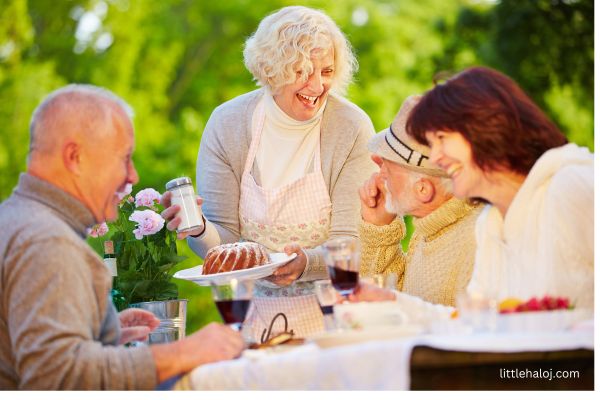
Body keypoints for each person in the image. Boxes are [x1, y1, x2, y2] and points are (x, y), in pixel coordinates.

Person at [0, 85, 243, 389]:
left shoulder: (13, 219)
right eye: (124, 158)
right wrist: (180, 353)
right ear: (75, 157)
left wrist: (100, 334)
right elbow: (57, 377)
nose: (133, 176)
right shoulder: (48, 242)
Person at [161, 6, 376, 340]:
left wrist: (306, 263)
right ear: (273, 69)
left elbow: (352, 241)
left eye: (327, 71)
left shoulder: (350, 127)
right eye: (303, 72)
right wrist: (199, 228)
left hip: (339, 320)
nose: (317, 85)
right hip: (256, 320)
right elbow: (226, 246)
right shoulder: (227, 124)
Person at [405, 66, 594, 308]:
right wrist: (391, 301)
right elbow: (472, 323)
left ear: (486, 125)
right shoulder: (490, 222)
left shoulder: (571, 187)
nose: (435, 157)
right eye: (431, 145)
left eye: (441, 138)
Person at [358, 95, 482, 307]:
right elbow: (390, 307)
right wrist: (380, 229)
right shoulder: (429, 226)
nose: (377, 163)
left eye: (389, 162)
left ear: (423, 189)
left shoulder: (477, 241)